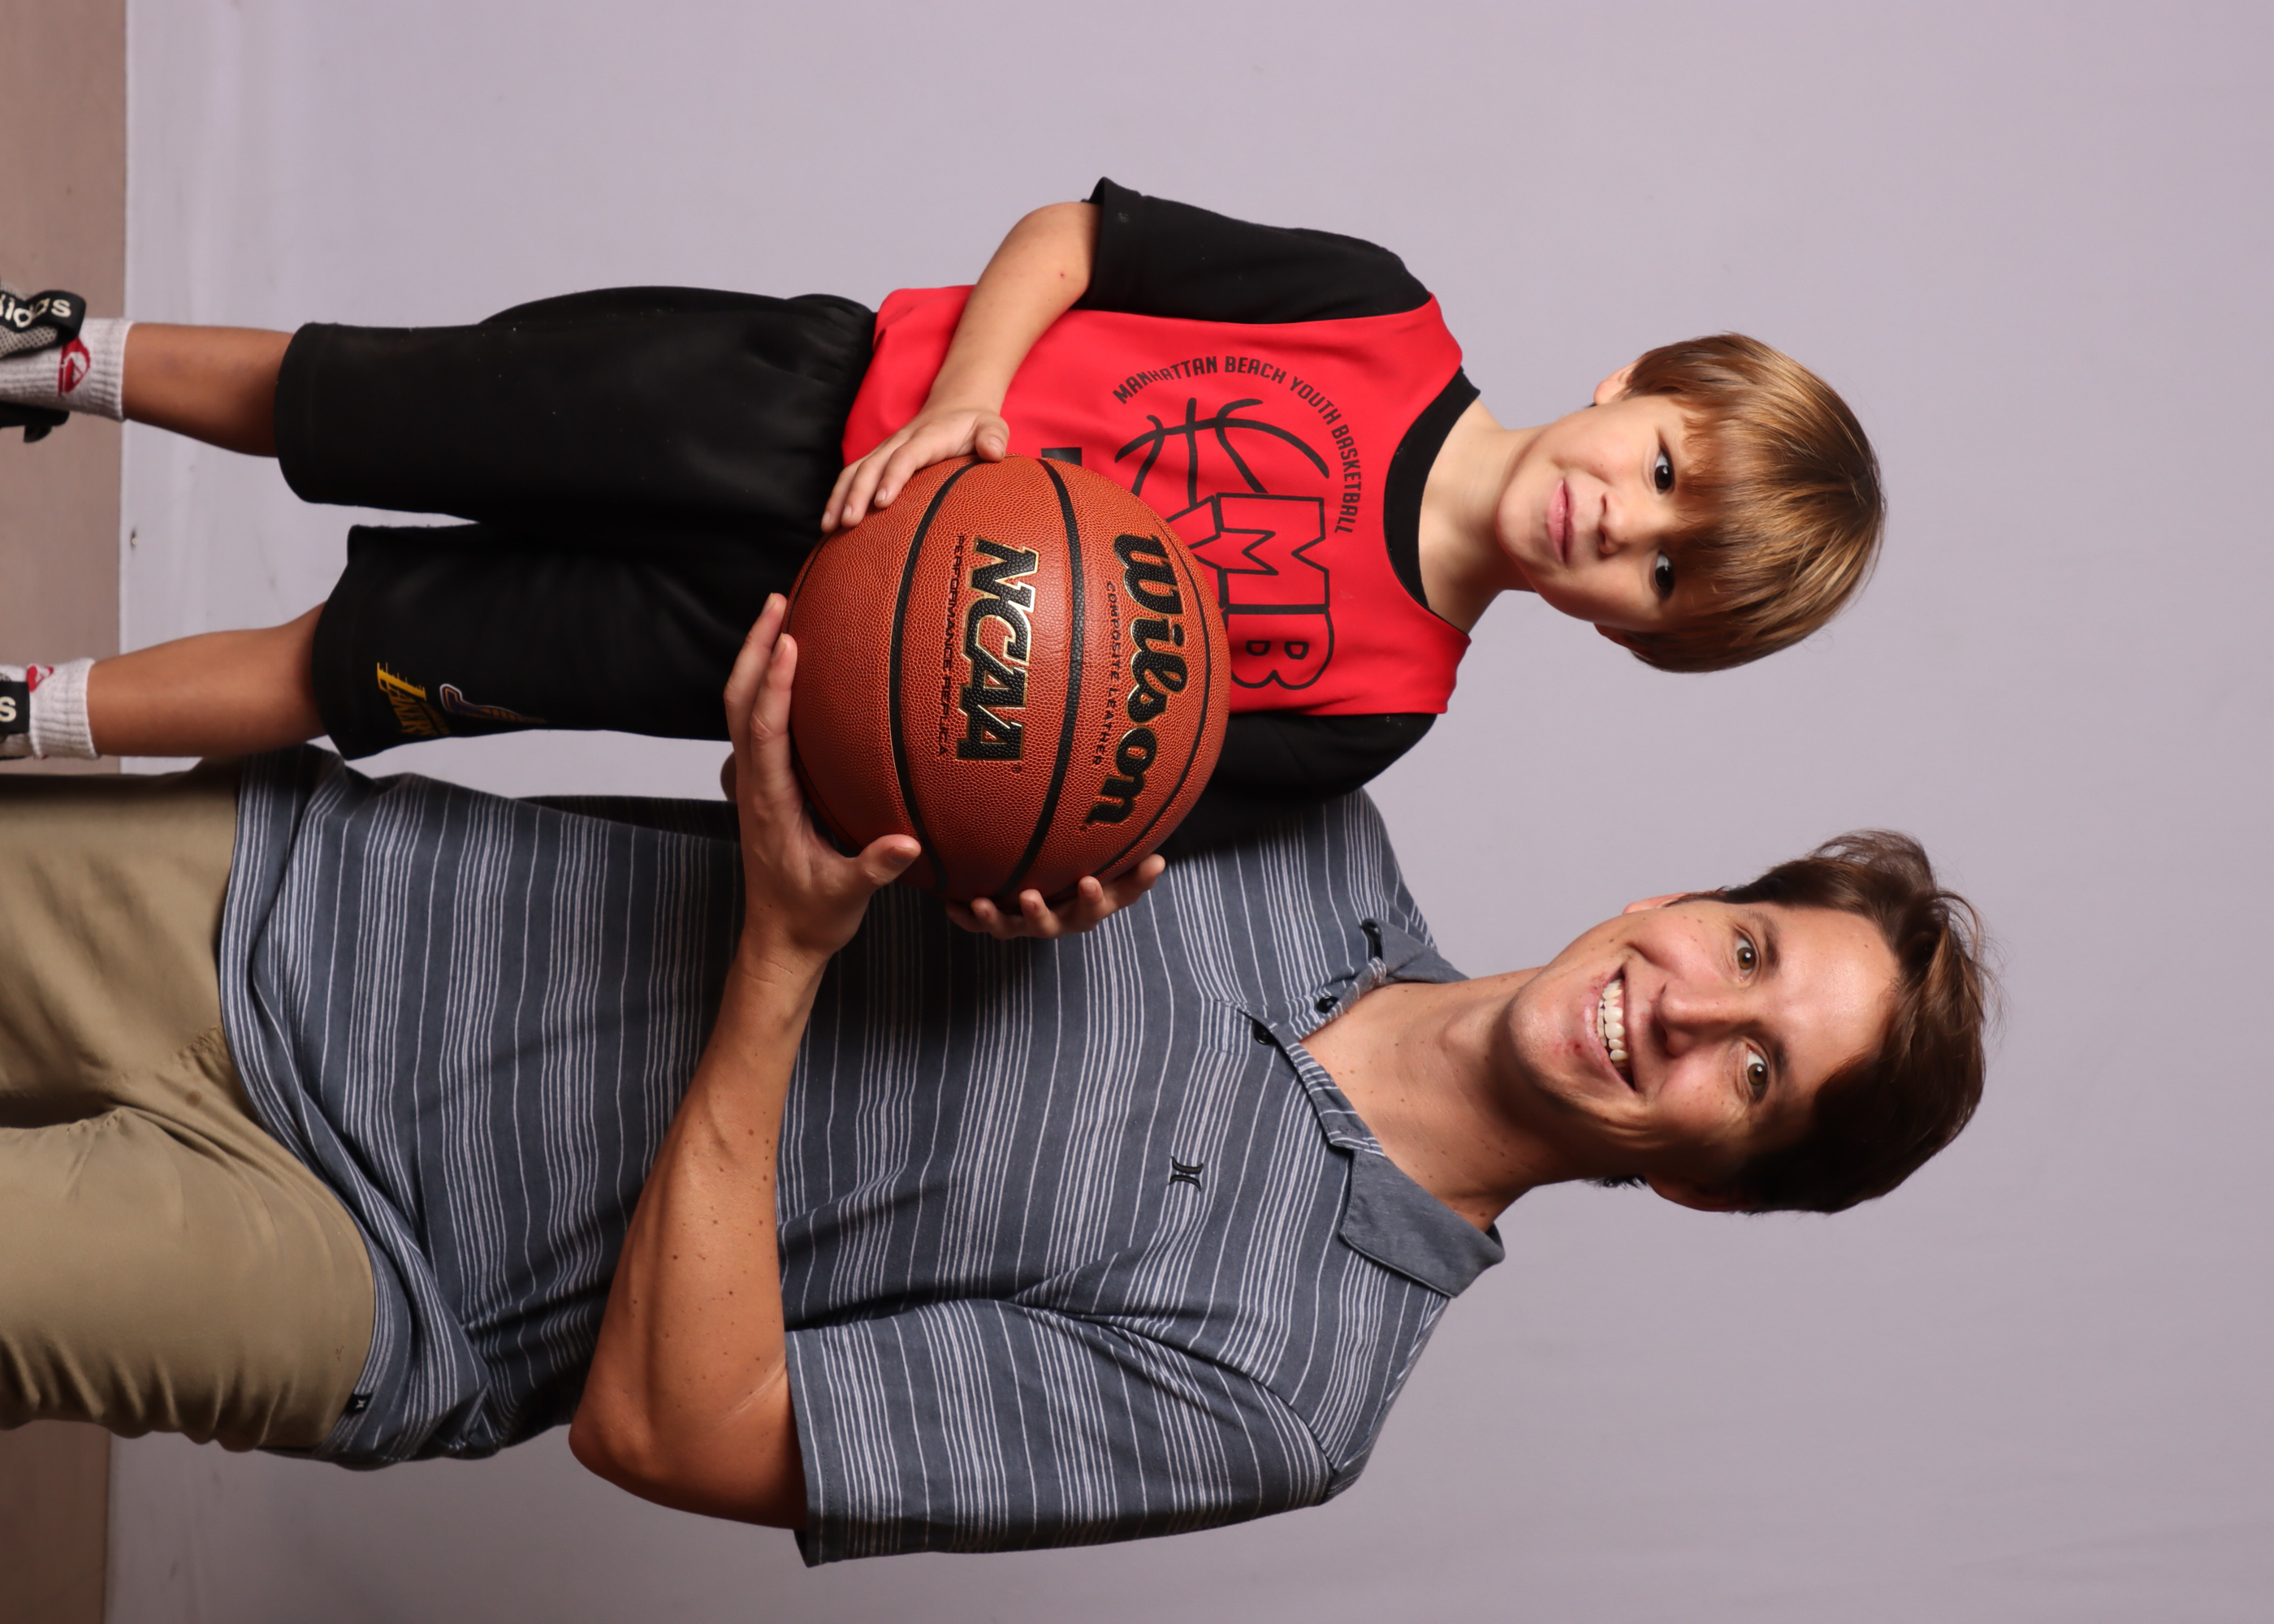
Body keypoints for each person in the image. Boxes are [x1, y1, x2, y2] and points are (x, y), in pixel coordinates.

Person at [0, 598, 1990, 1561]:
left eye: (1754, 1075)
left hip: (372, 1269)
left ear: (1710, 1181)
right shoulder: (1290, 807)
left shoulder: (1285, 1388)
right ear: (1675, 899)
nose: (1688, 1014)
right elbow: (903, 599)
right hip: (334, 899)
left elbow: (673, 1432)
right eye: (1745, 952)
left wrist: (787, 962)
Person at [0, 182, 1883, 900]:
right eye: (1663, 465)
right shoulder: (1373, 310)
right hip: (807, 403)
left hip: (799, 660)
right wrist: (967, 401)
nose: (1619, 520)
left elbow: (1092, 806)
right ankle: (63, 356)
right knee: (373, 396)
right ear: (1639, 379)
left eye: (1661, 570)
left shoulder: (1375, 709)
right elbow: (1074, 236)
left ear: (1634, 637)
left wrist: (1024, 875)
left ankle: (31, 709)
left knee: (363, 667)